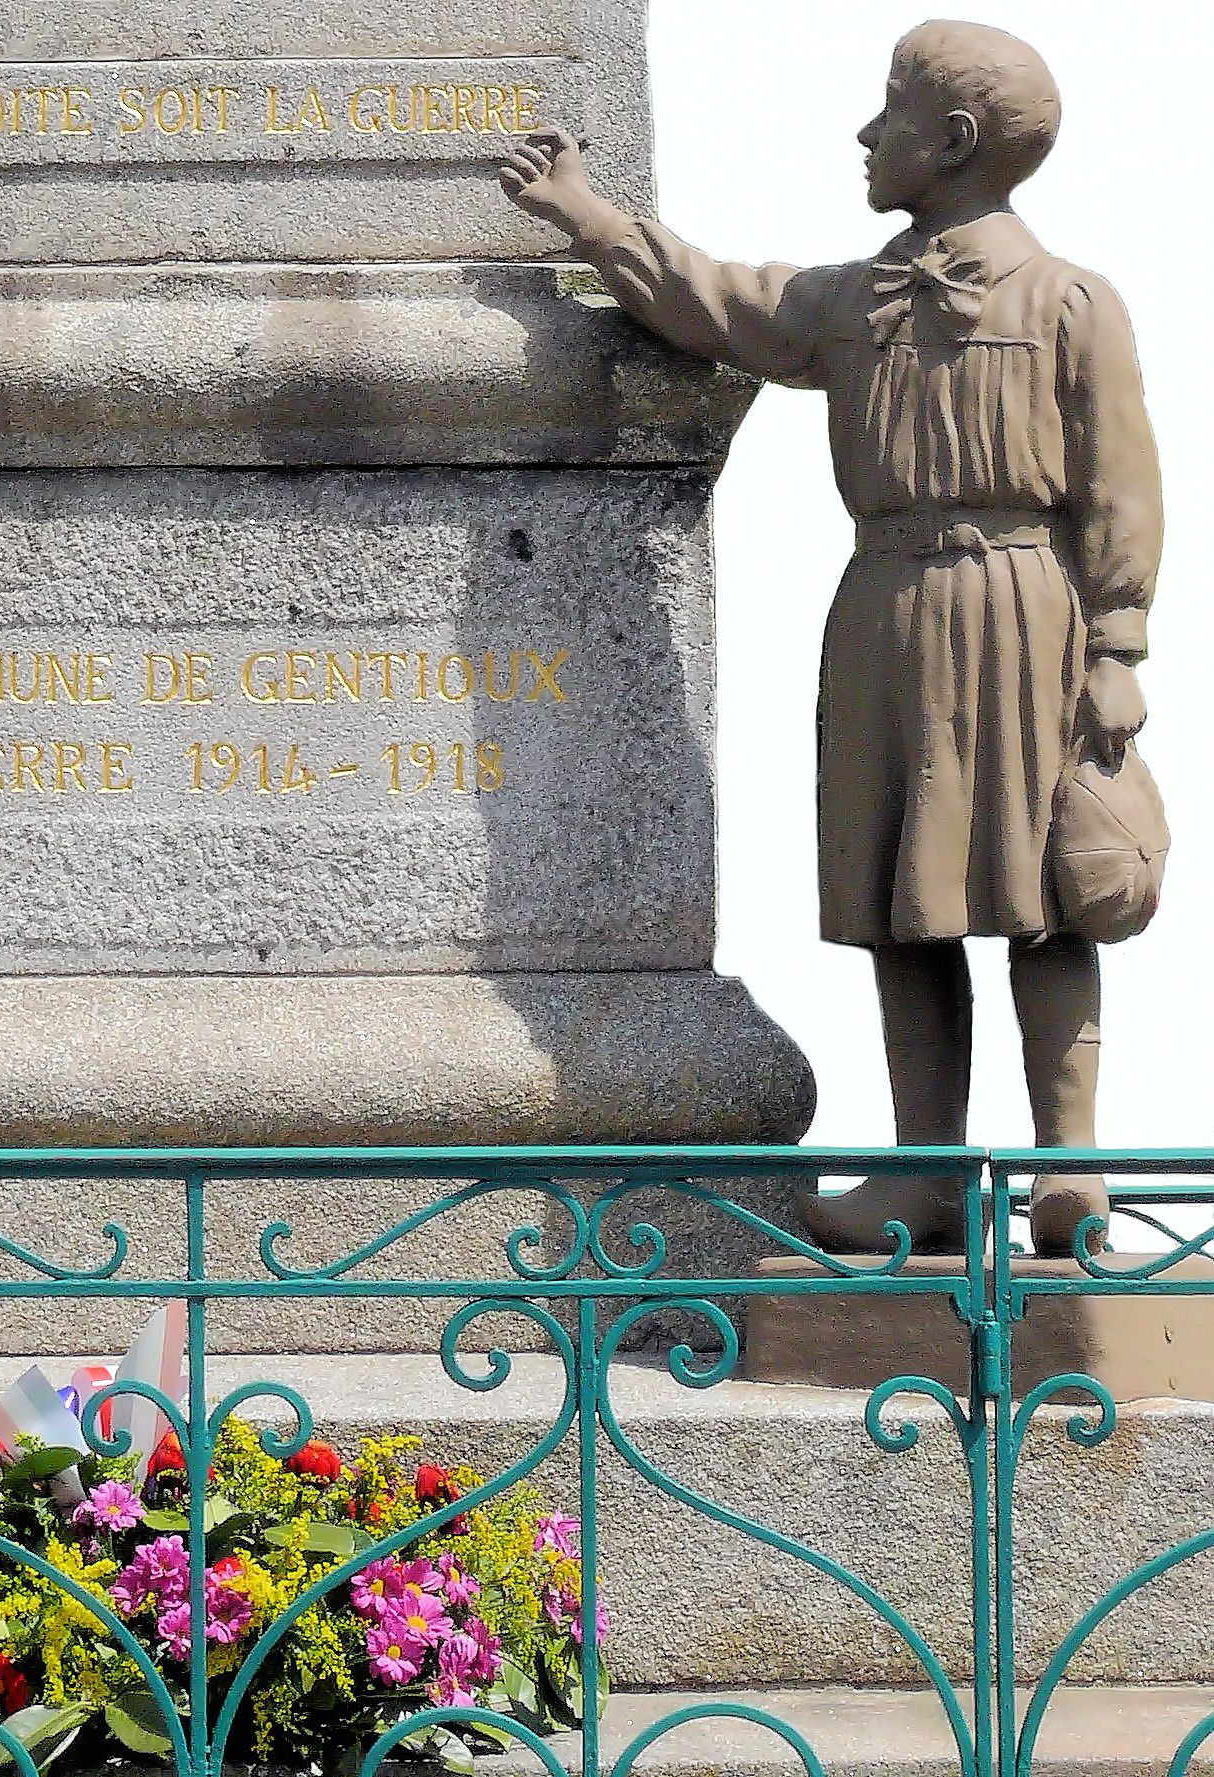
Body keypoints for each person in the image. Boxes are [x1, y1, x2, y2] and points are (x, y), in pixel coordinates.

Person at [500, 20, 1163, 1256]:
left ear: (949, 141)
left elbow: (1119, 484)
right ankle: (924, 1171)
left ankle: (1067, 1165)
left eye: (888, 112)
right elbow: (719, 302)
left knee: (1047, 887)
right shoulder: (851, 300)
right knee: (899, 895)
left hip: (1027, 608)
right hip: (883, 610)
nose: (864, 134)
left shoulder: (1071, 303)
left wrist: (1116, 645)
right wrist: (589, 221)